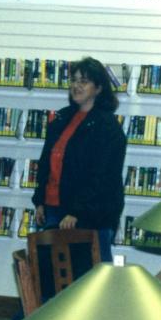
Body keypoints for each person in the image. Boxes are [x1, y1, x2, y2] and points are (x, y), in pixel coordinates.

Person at [31, 56, 127, 262]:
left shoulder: (107, 127)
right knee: (55, 279)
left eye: (84, 81)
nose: (76, 86)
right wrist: (39, 201)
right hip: (55, 211)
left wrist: (78, 212)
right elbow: (46, 164)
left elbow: (102, 177)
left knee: (92, 281)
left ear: (98, 88)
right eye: (74, 80)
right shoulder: (61, 119)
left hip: (91, 216)